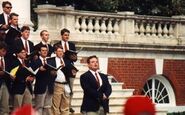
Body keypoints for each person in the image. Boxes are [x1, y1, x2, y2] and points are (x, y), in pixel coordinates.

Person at [53, 28, 77, 113]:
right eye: (65, 35)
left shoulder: (72, 45)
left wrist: (74, 58)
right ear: (62, 35)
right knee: (59, 89)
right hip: (60, 68)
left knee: (70, 89)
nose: (67, 37)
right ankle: (59, 107)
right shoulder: (57, 44)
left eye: (68, 35)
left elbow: (75, 58)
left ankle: (69, 105)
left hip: (70, 69)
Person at [48, 45, 71, 115]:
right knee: (56, 105)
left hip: (66, 84)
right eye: (59, 51)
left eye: (62, 51)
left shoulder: (66, 61)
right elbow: (49, 71)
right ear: (55, 52)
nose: (61, 53)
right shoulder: (51, 60)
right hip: (57, 84)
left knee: (66, 104)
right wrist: (52, 73)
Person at [33, 45, 54, 115]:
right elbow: (32, 74)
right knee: (39, 107)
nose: (45, 52)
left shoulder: (50, 61)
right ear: (39, 52)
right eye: (43, 50)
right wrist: (39, 69)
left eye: (46, 50)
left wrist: (54, 73)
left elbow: (53, 75)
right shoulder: (36, 61)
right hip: (40, 86)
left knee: (47, 107)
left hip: (49, 86)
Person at [0, 42, 12, 115]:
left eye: (5, 51)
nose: (5, 53)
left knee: (5, 106)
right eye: (3, 51)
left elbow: (9, 71)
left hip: (6, 84)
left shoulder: (7, 60)